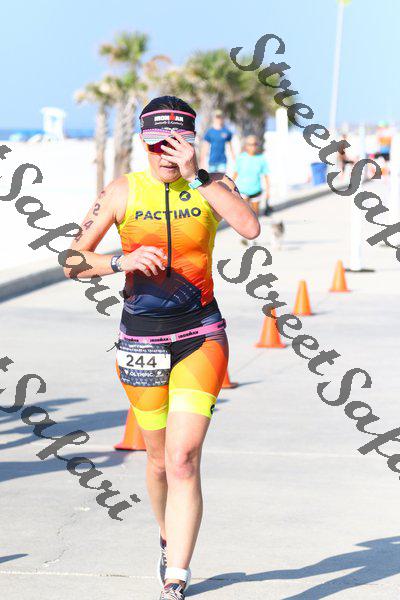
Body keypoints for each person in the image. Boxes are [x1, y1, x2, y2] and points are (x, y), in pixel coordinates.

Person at [64, 96, 260, 600]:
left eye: (177, 144)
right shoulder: (122, 191)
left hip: (201, 335)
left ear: (191, 143)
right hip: (142, 342)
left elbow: (250, 227)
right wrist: (119, 261)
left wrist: (199, 177)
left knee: (183, 458)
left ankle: (177, 575)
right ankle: (167, 534)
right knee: (156, 461)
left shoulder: (213, 185)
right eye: (157, 145)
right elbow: (71, 260)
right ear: (144, 143)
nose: (166, 155)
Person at [232, 135, 270, 244]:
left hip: (256, 190)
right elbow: (235, 173)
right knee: (245, 214)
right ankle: (245, 235)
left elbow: (266, 175)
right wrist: (230, 187)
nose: (252, 147)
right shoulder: (241, 158)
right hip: (243, 190)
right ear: (246, 146)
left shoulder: (261, 159)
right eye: (250, 144)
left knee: (255, 214)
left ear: (257, 145)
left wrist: (268, 191)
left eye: (254, 144)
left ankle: (254, 236)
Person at [201, 109, 234, 173]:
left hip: (222, 161)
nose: (218, 119)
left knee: (222, 178)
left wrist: (234, 159)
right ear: (214, 118)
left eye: (220, 117)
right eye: (217, 117)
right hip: (212, 161)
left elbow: (230, 146)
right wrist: (202, 160)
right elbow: (205, 147)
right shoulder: (209, 132)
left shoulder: (226, 131)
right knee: (212, 178)